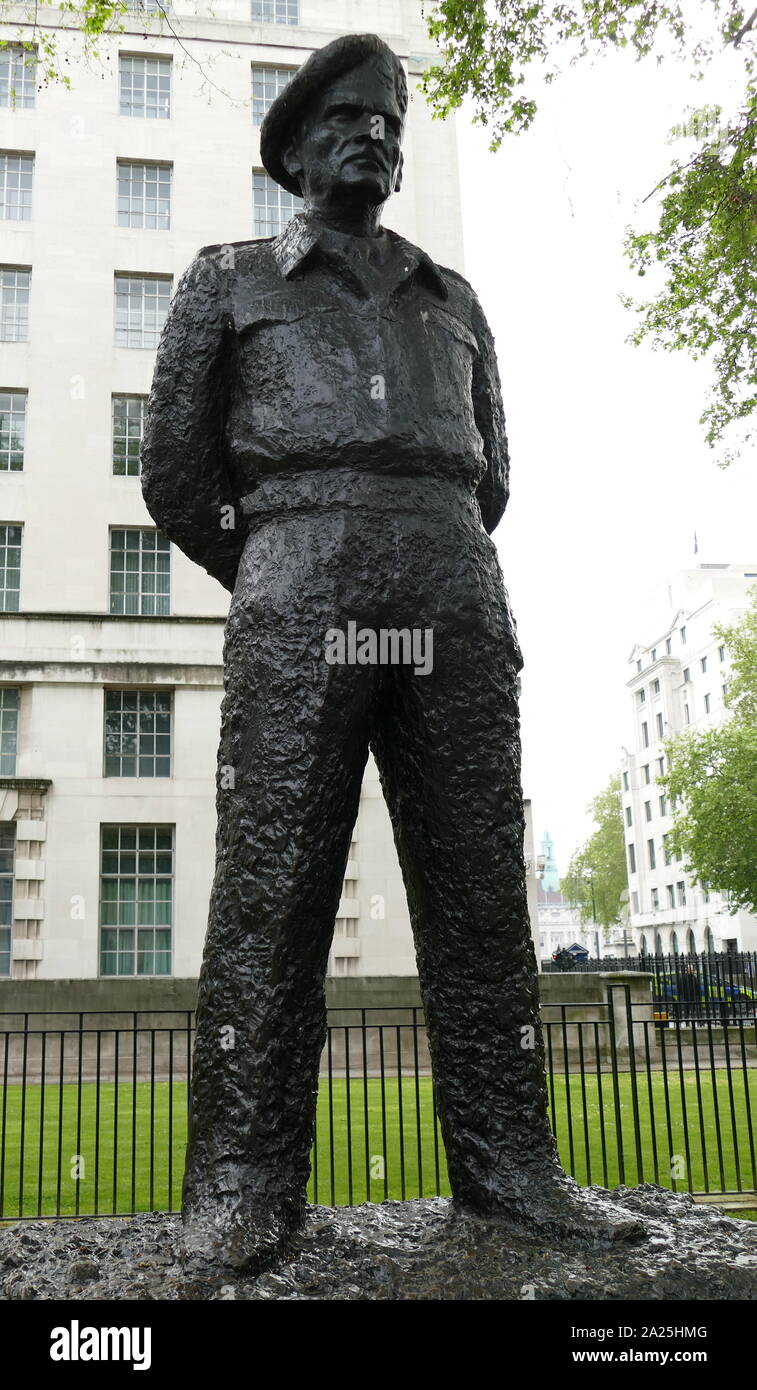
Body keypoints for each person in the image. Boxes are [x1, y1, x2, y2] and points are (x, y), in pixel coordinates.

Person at [142, 32, 642, 1271]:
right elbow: (173, 477)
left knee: (480, 892)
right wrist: (273, 569)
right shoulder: (227, 278)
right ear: (296, 150)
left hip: (449, 581)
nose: (375, 135)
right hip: (299, 582)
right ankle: (242, 1187)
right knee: (272, 896)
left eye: (391, 121)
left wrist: (424, 555)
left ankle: (510, 1168)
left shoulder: (450, 297)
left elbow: (496, 472)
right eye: (349, 118)